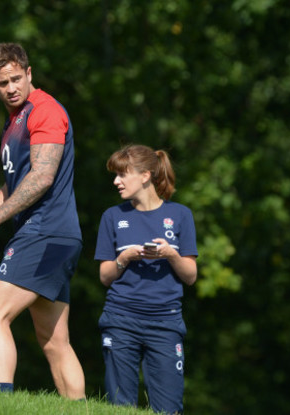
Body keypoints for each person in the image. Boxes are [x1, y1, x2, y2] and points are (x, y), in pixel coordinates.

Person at [0, 43, 85, 399]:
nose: (11, 88)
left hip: (46, 232)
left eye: (17, 79)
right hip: (54, 236)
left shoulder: (44, 111)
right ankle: (80, 409)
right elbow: (14, 183)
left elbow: (41, 177)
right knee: (53, 341)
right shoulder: (14, 120)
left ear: (29, 73)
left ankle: (2, 403)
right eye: (3, 83)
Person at [94, 144, 198, 413]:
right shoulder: (112, 216)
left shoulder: (180, 215)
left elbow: (190, 276)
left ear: (145, 175)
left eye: (122, 174)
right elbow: (105, 276)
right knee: (120, 406)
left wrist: (171, 254)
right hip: (120, 319)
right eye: (115, 176)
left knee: (169, 409)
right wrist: (125, 257)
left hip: (166, 323)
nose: (116, 182)